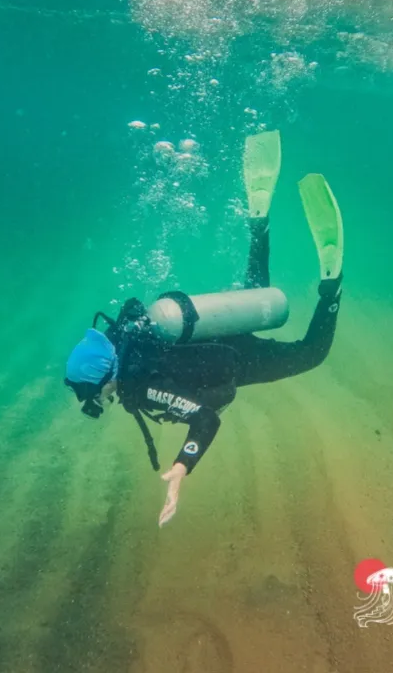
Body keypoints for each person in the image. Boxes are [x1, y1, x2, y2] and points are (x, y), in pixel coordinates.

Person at [64, 130, 344, 526]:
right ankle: (259, 225)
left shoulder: (140, 384)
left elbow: (206, 419)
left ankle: (331, 288)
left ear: (104, 377)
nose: (98, 402)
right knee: (255, 295)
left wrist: (181, 467)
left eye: (94, 395)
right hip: (216, 327)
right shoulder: (125, 336)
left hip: (235, 360)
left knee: (311, 354)